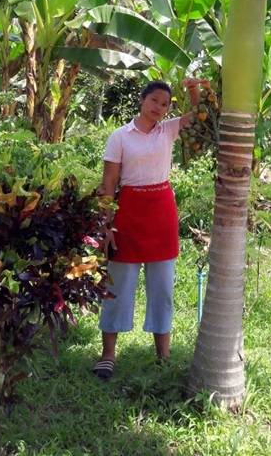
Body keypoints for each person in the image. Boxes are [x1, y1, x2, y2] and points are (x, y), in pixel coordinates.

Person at [92, 77, 203, 380]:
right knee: (118, 287)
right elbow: (109, 184)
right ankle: (108, 354)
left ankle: (162, 356)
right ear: (141, 100)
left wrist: (194, 92)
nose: (159, 107)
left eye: (165, 104)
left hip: (162, 213)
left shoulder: (168, 130)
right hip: (128, 214)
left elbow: (202, 118)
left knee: (163, 288)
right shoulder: (120, 136)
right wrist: (106, 225)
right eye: (154, 100)